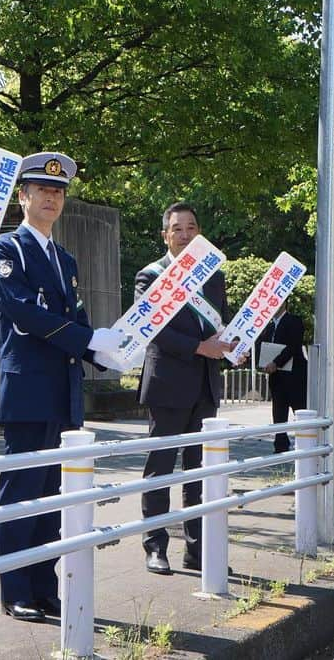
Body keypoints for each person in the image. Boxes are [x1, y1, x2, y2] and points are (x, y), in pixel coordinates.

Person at [0, 152, 123, 623]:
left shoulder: (64, 259)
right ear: (22, 196)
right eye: (42, 190)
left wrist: (105, 352)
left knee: (54, 498)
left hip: (62, 390)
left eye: (58, 192)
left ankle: (45, 587)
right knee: (22, 492)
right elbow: (24, 311)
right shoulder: (8, 250)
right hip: (27, 389)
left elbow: (74, 320)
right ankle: (16, 588)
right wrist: (87, 339)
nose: (51, 198)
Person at [136, 202, 233, 575]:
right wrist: (198, 347)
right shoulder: (151, 276)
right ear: (166, 235)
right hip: (168, 384)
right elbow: (153, 329)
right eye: (178, 229)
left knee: (199, 472)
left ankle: (198, 550)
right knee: (160, 470)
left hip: (206, 384)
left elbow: (218, 324)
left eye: (192, 227)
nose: (186, 234)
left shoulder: (213, 275)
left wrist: (230, 343)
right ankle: (155, 546)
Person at [256, 304, 308, 453]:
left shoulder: (294, 321)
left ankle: (306, 444)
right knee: (278, 412)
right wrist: (264, 363)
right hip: (276, 377)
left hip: (294, 376)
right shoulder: (270, 326)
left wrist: (276, 362)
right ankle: (280, 445)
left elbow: (293, 346)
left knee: (300, 410)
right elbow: (265, 346)